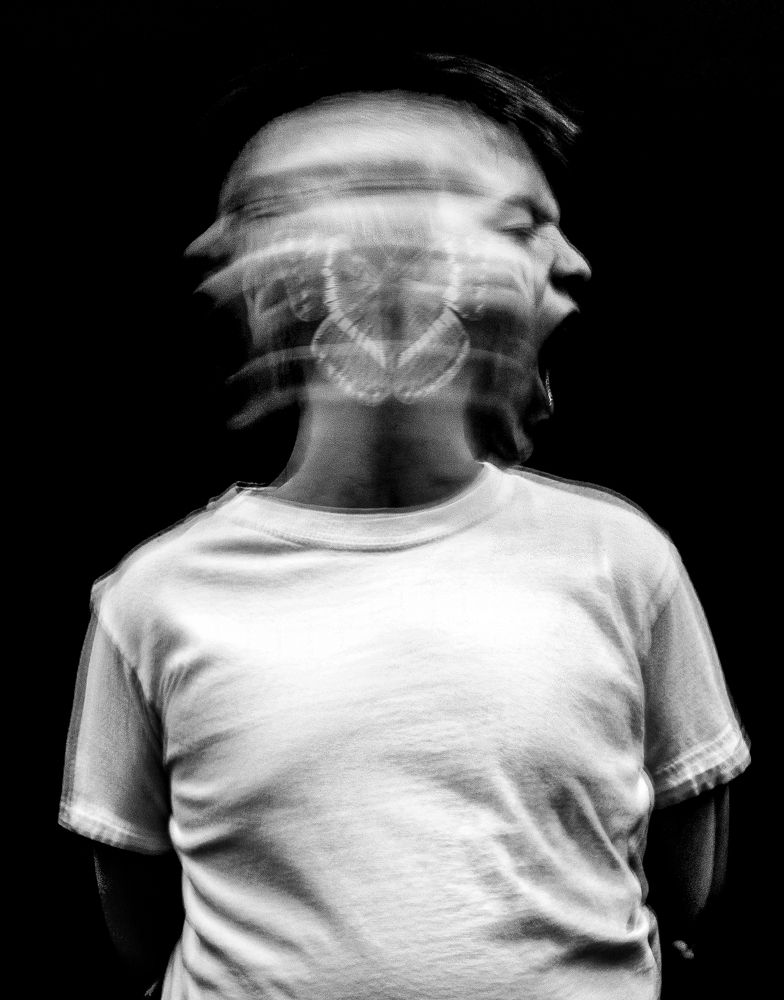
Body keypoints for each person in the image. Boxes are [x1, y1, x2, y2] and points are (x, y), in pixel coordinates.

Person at [59, 52, 750, 1000]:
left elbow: (684, 886)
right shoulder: (155, 598)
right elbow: (136, 921)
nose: (566, 266)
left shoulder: (623, 561)